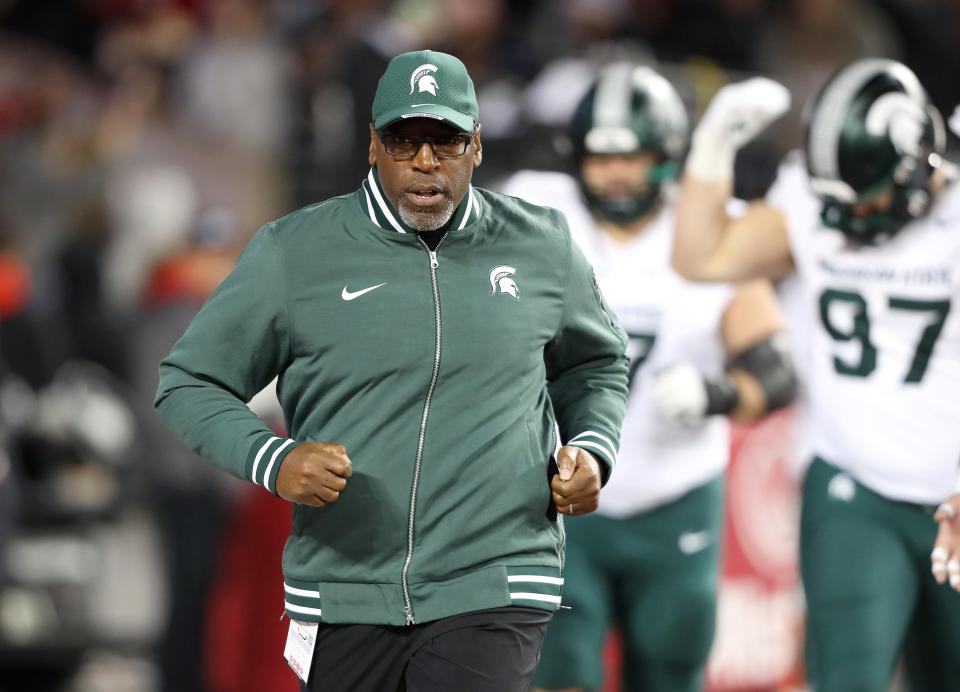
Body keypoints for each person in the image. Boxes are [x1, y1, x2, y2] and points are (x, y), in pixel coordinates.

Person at [154, 49, 629, 692]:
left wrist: (593, 449)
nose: (426, 162)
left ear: (477, 148)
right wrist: (273, 460)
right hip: (345, 581)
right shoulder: (294, 253)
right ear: (373, 145)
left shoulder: (541, 244)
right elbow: (189, 381)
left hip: (497, 574)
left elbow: (595, 363)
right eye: (406, 141)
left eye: (447, 141)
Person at [501, 62, 796, 692]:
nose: (614, 175)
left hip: (673, 493)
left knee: (670, 667)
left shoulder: (710, 231)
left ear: (666, 156)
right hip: (555, 494)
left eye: (632, 157)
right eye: (600, 158)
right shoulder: (535, 212)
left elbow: (775, 371)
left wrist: (716, 395)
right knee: (561, 673)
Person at [672, 59, 960, 691]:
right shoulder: (809, 200)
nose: (851, 220)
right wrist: (713, 149)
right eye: (837, 203)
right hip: (853, 485)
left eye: (868, 199)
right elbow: (700, 256)